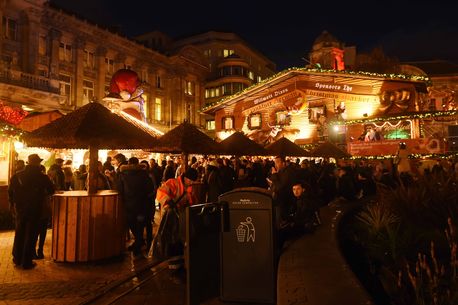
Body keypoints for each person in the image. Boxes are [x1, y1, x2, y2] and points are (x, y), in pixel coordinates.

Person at [8, 154, 54, 269]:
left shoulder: (17, 176)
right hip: (35, 208)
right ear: (38, 163)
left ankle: (17, 258)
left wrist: (12, 204)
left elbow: (10, 191)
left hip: (20, 208)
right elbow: (51, 190)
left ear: (28, 163)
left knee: (20, 232)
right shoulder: (42, 177)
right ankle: (26, 262)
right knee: (31, 234)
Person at [155, 167, 199, 269]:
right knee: (171, 238)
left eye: (193, 181)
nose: (192, 183)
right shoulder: (172, 182)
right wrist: (168, 200)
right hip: (170, 216)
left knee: (180, 238)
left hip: (181, 216)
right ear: (185, 178)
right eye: (190, 180)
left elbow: (193, 200)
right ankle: (173, 265)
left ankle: (180, 262)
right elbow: (160, 192)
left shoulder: (190, 187)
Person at [117, 157, 156, 257]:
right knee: (140, 224)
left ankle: (138, 243)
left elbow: (119, 190)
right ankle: (139, 243)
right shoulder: (144, 174)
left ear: (129, 163)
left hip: (129, 205)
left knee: (132, 224)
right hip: (142, 204)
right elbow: (150, 189)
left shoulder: (122, 174)